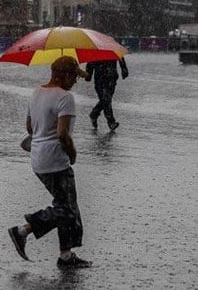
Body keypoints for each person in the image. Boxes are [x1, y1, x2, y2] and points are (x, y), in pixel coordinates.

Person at [8, 56, 92, 269]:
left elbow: (29, 127)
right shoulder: (65, 98)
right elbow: (63, 134)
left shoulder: (36, 92)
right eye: (74, 76)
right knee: (68, 210)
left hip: (38, 160)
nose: (75, 82)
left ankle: (65, 255)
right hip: (56, 161)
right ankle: (23, 230)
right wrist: (72, 153)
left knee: (64, 205)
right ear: (63, 75)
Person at [85, 57, 128, 131]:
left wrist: (124, 70)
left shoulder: (112, 48)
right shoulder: (96, 51)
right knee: (106, 100)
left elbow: (120, 57)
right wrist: (88, 76)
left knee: (105, 100)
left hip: (112, 79)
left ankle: (94, 114)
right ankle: (111, 122)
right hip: (100, 80)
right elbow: (90, 63)